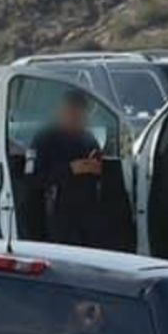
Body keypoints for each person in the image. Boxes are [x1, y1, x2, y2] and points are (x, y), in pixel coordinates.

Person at [29, 90, 106, 247]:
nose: (75, 119)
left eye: (80, 115)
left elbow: (99, 173)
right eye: (71, 113)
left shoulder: (88, 139)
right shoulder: (43, 139)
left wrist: (97, 169)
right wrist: (71, 169)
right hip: (54, 218)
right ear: (60, 112)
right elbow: (33, 179)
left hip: (86, 219)